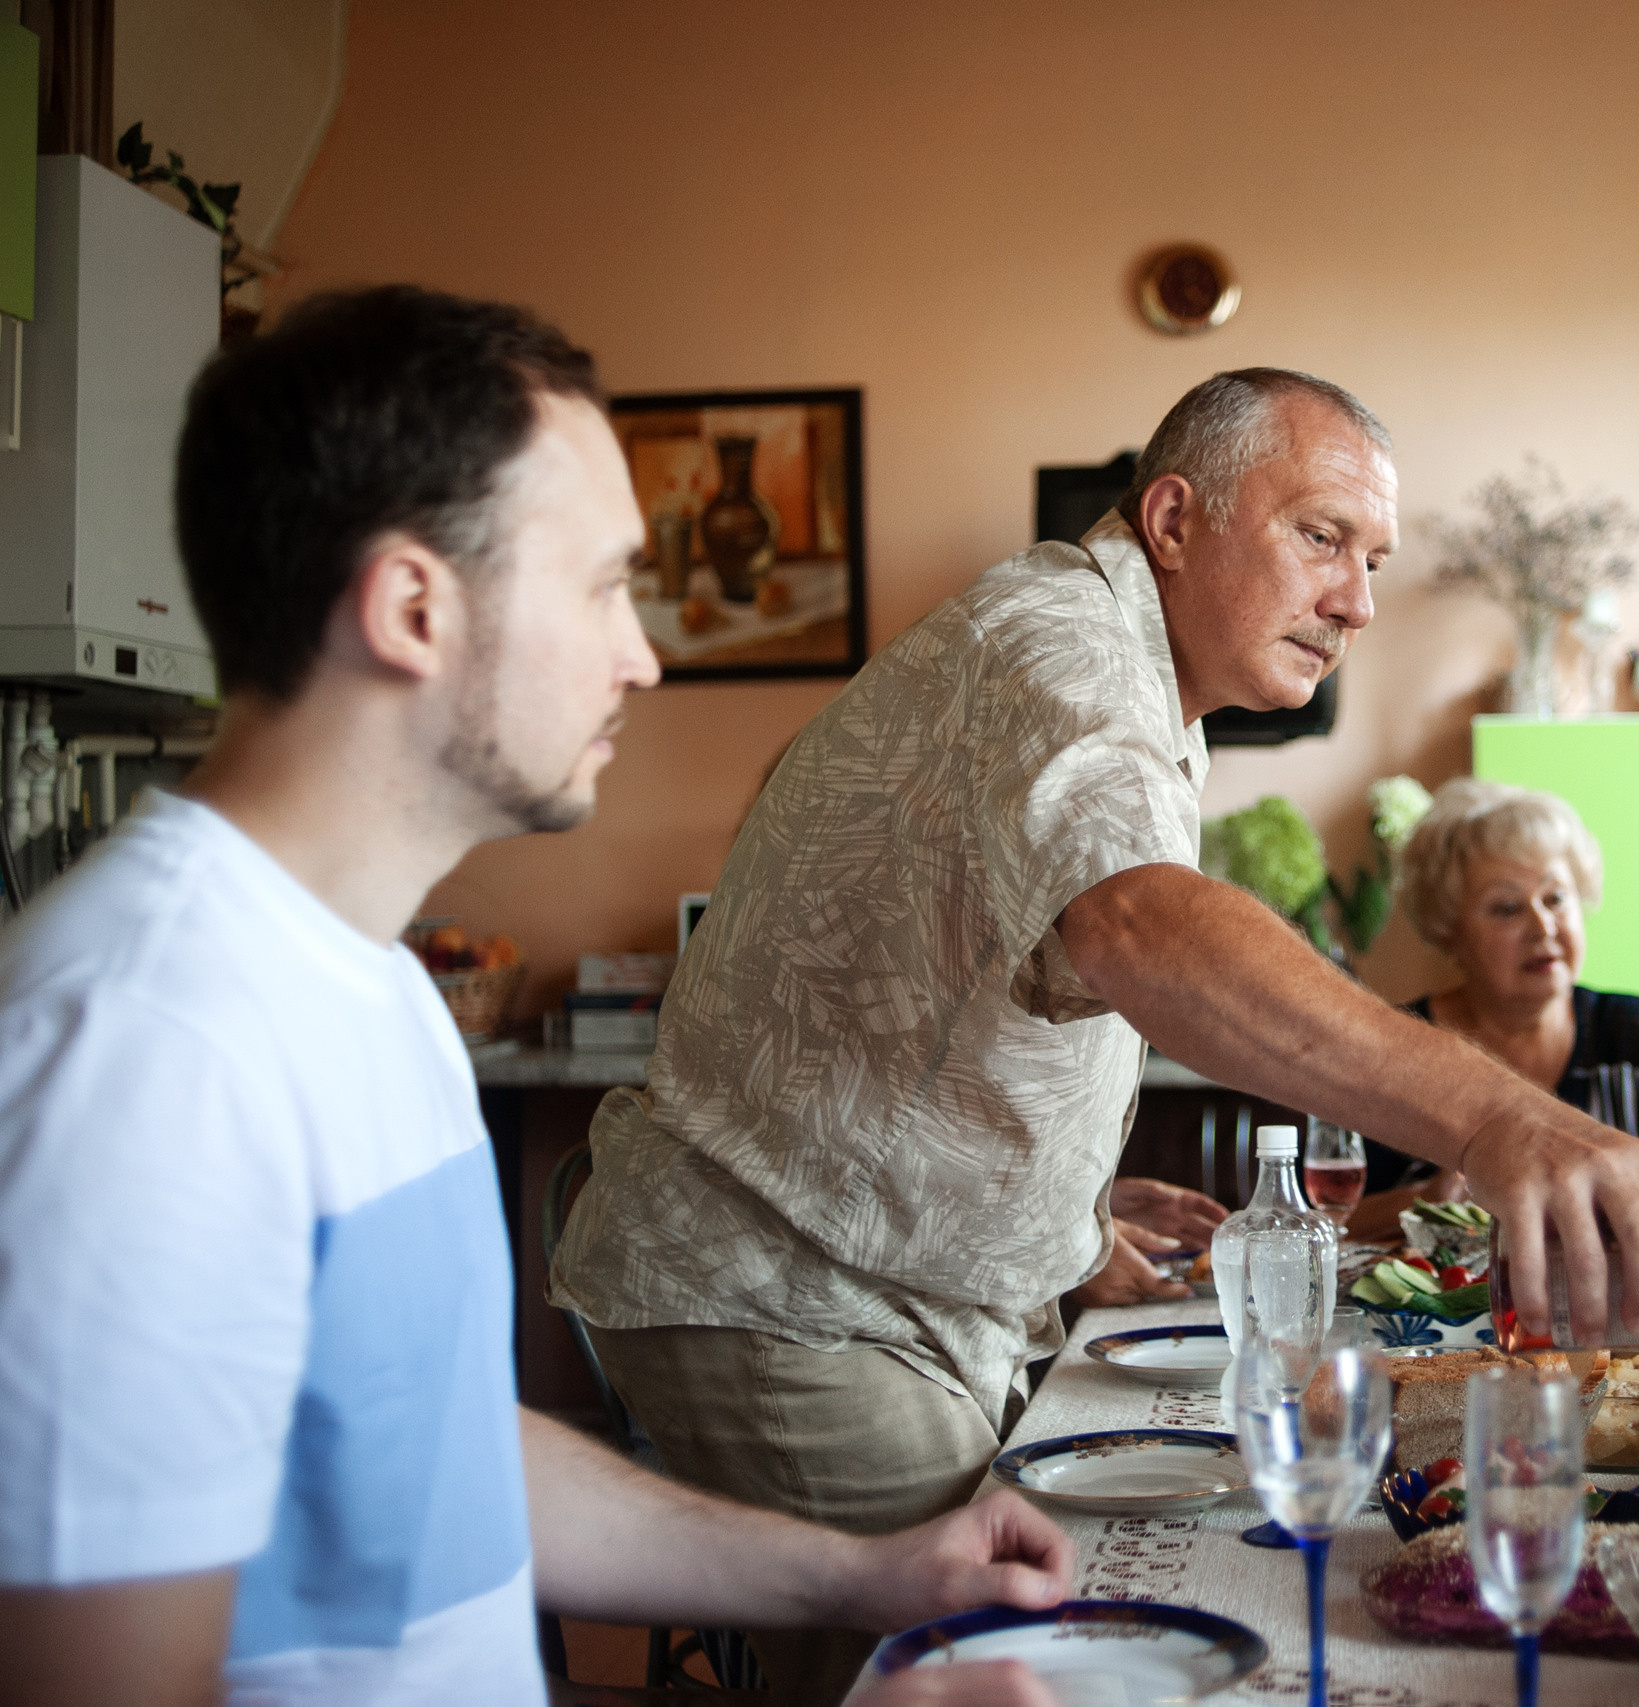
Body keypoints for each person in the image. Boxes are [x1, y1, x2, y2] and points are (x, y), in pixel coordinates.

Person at [550, 368, 1639, 1703]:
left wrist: (1065, 1213)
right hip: (801, 1298)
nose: (1361, 599)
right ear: (1173, 520)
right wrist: (1497, 1112)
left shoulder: (1140, 682)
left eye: (1375, 559)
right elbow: (1137, 926)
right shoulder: (1063, 638)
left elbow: (962, 978)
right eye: (1322, 537)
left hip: (894, 1290)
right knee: (977, 1665)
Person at [0, 287, 1071, 1707]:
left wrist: (867, 1573)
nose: (643, 652)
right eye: (601, 584)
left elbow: (439, 1454)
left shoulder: (375, 989)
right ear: (412, 607)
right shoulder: (146, 1046)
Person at [1346, 779, 1639, 1237]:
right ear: (1448, 932)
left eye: (1556, 897)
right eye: (1506, 907)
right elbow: (1315, 1219)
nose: (1543, 926)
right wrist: (1428, 1201)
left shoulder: (1635, 1033)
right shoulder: (1397, 1048)